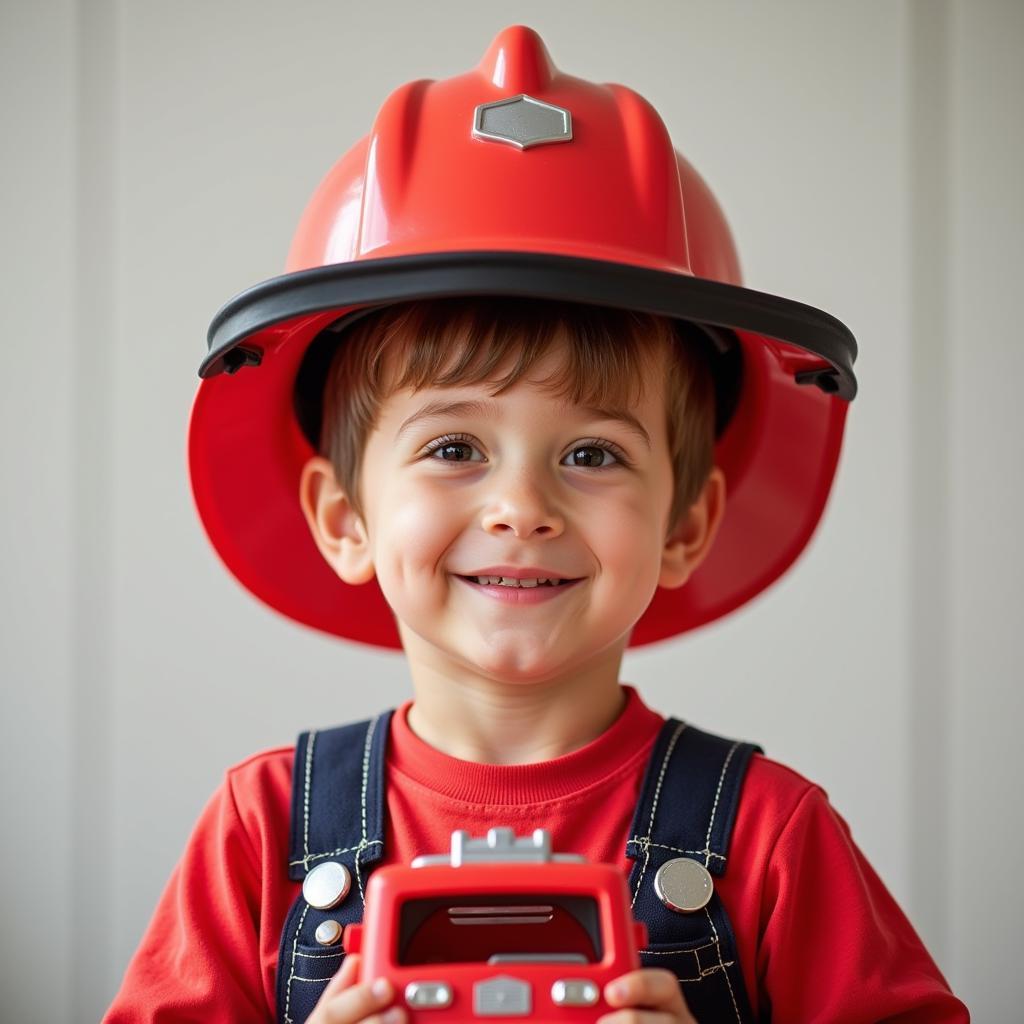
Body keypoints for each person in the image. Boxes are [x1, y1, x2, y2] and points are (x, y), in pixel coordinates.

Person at [105, 25, 968, 1024]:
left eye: (592, 454)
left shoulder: (774, 837)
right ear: (344, 518)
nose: (522, 507)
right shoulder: (261, 834)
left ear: (685, 524)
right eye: (454, 448)